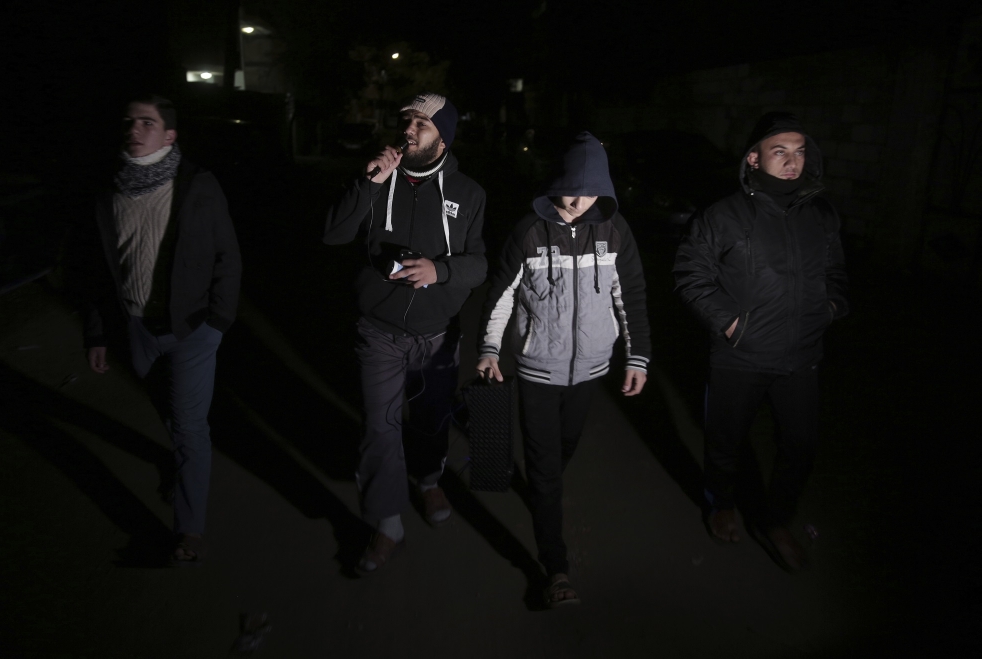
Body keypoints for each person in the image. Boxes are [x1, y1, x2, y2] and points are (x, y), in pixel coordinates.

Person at [476, 132, 652, 607]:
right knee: (547, 471)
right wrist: (490, 348)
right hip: (536, 369)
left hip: (591, 370)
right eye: (571, 188)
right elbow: (502, 294)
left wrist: (638, 356)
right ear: (555, 183)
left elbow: (629, 297)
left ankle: (543, 485)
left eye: (591, 190)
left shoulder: (616, 233)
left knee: (563, 448)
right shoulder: (529, 231)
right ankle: (556, 568)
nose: (578, 201)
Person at [672, 112, 848, 571]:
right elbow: (690, 275)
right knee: (725, 441)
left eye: (800, 151)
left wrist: (829, 310)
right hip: (741, 356)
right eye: (779, 151)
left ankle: (776, 520)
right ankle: (722, 504)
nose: (793, 162)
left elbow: (836, 276)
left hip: (802, 357)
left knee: (802, 446)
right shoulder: (724, 214)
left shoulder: (822, 213)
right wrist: (732, 324)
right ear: (754, 158)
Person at [324, 93, 487, 575]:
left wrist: (440, 272)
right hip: (378, 330)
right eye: (408, 121)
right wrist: (368, 184)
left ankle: (429, 477)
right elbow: (334, 234)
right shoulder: (377, 178)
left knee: (432, 416)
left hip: (437, 332)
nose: (411, 130)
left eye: (423, 124)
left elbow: (480, 263)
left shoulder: (469, 193)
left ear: (444, 137)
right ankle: (388, 521)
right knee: (380, 426)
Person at [81, 94, 241, 566]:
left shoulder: (197, 186)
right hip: (136, 328)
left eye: (147, 123)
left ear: (168, 135)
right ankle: (185, 467)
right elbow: (96, 268)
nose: (135, 129)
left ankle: (188, 531)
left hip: (192, 330)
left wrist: (218, 321)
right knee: (170, 413)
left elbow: (227, 256)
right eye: (130, 121)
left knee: (190, 426)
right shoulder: (108, 189)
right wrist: (96, 333)